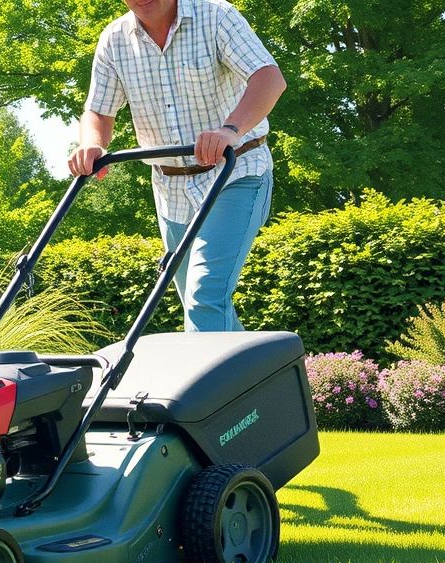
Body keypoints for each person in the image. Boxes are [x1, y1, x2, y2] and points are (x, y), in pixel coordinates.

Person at [69, 0, 287, 332]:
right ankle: (262, 383)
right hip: (171, 189)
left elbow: (269, 78)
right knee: (201, 307)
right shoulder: (113, 40)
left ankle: (213, 385)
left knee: (205, 298)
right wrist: (91, 143)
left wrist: (229, 130)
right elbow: (98, 111)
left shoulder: (216, 16)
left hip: (236, 171)